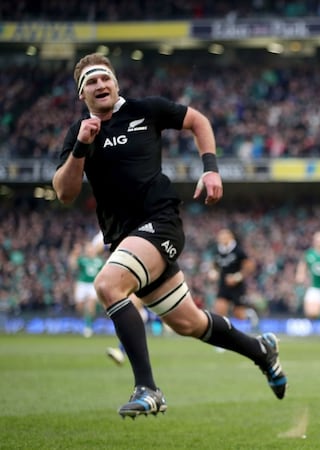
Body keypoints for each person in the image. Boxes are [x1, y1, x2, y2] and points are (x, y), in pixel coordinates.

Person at [52, 53, 286, 418]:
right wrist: (82, 146)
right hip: (124, 237)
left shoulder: (146, 110)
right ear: (82, 95)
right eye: (90, 83)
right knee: (188, 322)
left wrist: (211, 170)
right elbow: (64, 193)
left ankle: (147, 388)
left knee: (108, 285)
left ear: (116, 82)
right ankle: (261, 351)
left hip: (160, 223)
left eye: (104, 78)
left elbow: (198, 121)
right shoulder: (79, 133)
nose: (99, 85)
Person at [212, 227, 259, 331]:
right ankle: (221, 338)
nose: (221, 238)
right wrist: (213, 273)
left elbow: (250, 266)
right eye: (220, 236)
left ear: (231, 237)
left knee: (239, 315)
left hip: (237, 286)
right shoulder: (217, 250)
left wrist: (237, 277)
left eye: (224, 236)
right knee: (219, 311)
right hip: (223, 285)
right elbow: (215, 265)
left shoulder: (238, 250)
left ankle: (250, 315)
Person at [68, 234, 105, 338]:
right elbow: (72, 265)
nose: (89, 250)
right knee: (79, 306)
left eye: (91, 248)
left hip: (93, 285)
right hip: (82, 284)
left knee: (91, 304)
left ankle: (88, 326)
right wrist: (74, 253)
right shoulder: (82, 260)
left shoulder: (100, 261)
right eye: (87, 248)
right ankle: (85, 321)